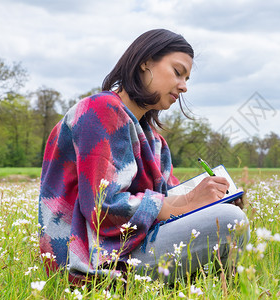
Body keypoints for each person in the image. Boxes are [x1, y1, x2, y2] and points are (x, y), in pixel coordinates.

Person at [38, 29, 249, 283]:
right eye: (178, 72)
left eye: (187, 79)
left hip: (131, 246)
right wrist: (191, 201)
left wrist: (211, 201)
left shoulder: (153, 140)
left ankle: (212, 284)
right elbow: (103, 208)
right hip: (95, 257)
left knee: (226, 218)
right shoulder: (100, 110)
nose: (183, 86)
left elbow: (170, 202)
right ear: (145, 62)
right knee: (230, 222)